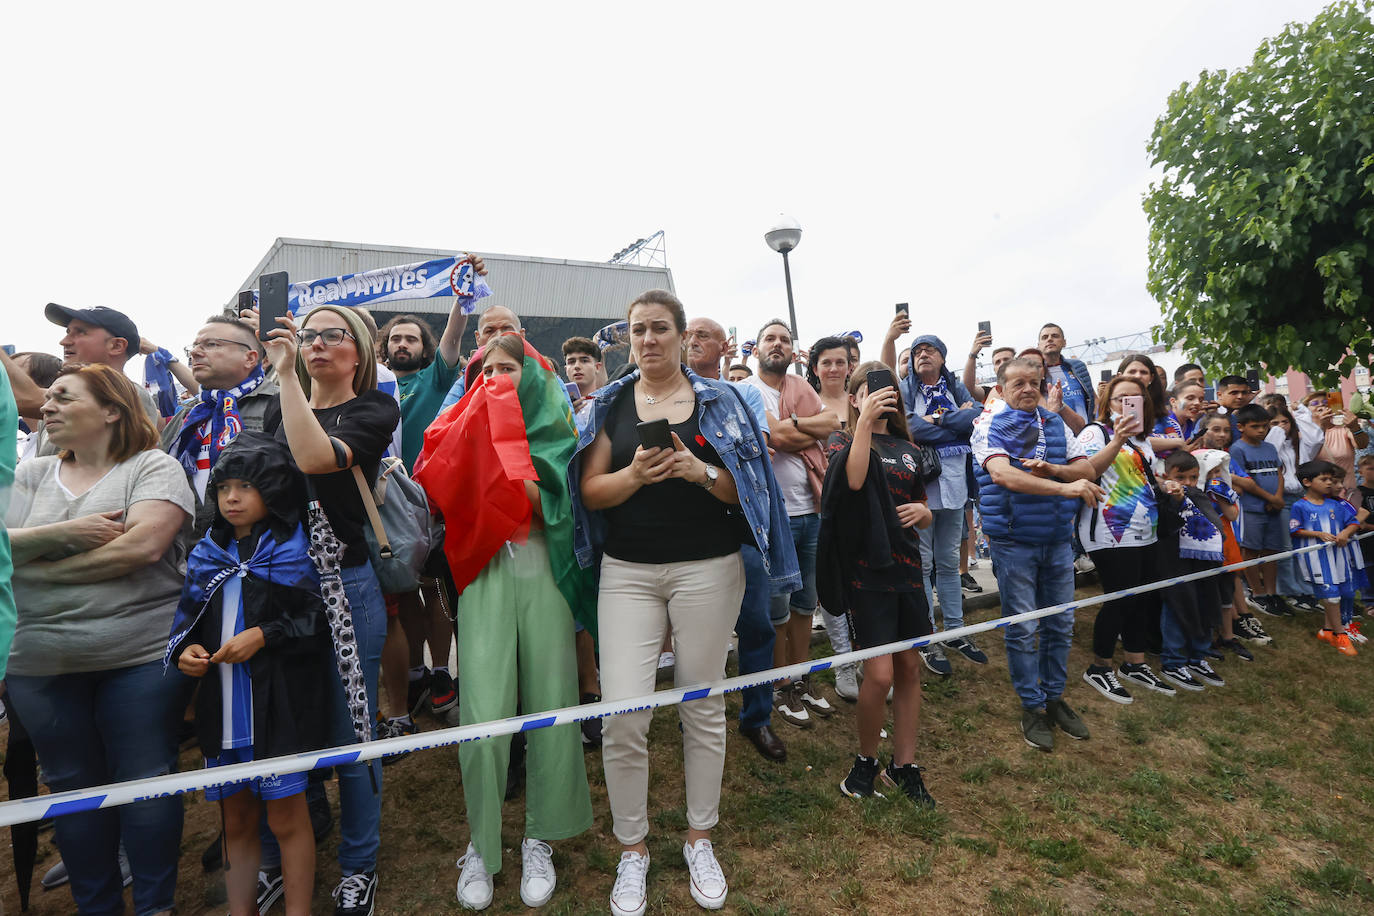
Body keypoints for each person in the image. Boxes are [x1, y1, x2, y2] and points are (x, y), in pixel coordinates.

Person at [572, 289, 798, 916]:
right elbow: (590, 491)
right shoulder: (610, 404)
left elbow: (745, 492)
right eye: (638, 330)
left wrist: (697, 471)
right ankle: (632, 849)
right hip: (628, 574)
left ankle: (700, 838)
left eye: (660, 330)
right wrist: (635, 477)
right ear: (629, 338)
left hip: (709, 569)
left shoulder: (721, 401)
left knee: (702, 702)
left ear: (681, 336)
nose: (649, 340)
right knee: (623, 713)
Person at [5, 363, 194, 916]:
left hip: (136, 656)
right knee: (72, 790)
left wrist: (31, 566)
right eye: (49, 399)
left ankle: (155, 907)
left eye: (64, 397)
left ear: (111, 409)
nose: (47, 406)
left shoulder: (152, 467)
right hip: (38, 663)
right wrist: (63, 534)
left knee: (145, 779)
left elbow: (140, 549)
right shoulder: (31, 475)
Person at [416, 334, 593, 911]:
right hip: (485, 574)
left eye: (509, 367)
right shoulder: (458, 427)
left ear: (533, 374)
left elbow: (565, 502)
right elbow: (433, 482)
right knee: (483, 713)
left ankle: (540, 835)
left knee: (552, 702)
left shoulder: (560, 428)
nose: (496, 376)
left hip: (543, 570)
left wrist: (517, 466)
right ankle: (481, 845)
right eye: (486, 368)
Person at [262, 304, 398, 916]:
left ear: (360, 352)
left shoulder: (373, 409)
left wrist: (289, 378)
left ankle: (358, 865)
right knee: (286, 725)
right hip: (284, 589)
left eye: (332, 336)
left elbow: (317, 460)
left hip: (347, 585)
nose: (316, 345)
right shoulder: (274, 407)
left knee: (353, 735)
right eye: (307, 336)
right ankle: (282, 855)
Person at [169, 434, 335, 916]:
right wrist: (186, 650)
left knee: (287, 818)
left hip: (276, 706)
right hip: (222, 708)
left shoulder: (292, 549)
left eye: (246, 486)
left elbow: (316, 617)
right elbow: (187, 623)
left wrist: (265, 634)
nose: (232, 498)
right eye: (223, 488)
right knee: (235, 821)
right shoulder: (207, 554)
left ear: (275, 490)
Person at [971, 358, 1115, 751]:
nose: (1029, 389)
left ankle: (1053, 697)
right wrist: (1064, 487)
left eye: (1035, 382)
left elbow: (1082, 469)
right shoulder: (988, 425)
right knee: (1023, 627)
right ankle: (1032, 706)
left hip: (1056, 541)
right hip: (1014, 543)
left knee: (1060, 624)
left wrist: (1057, 471)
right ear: (999, 389)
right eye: (1019, 382)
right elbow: (1003, 475)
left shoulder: (1054, 424)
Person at [819, 362, 935, 802]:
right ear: (854, 398)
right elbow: (852, 478)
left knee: (908, 668)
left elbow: (921, 502)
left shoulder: (907, 446)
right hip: (867, 574)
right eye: (869, 390)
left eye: (887, 390)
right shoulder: (843, 439)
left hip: (908, 570)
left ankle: (904, 765)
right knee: (880, 673)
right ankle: (865, 762)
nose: (881, 396)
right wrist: (863, 421)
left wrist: (923, 514)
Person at [686, 317, 792, 759]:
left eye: (703, 335)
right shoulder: (669, 394)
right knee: (693, 636)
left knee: (756, 626)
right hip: (688, 533)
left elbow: (759, 457)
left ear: (725, 346)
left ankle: (757, 718)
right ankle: (692, 716)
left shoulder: (743, 393)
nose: (692, 340)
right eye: (688, 333)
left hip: (741, 529)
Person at [741, 320, 841, 727]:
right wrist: (801, 431)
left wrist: (790, 428)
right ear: (758, 348)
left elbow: (832, 422)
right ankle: (780, 685)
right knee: (777, 609)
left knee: (805, 603)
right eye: (770, 338)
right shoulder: (747, 389)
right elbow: (774, 439)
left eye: (784, 339)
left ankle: (799, 678)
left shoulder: (802, 388)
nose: (778, 344)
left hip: (812, 510)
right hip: (773, 517)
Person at [1077, 374, 1174, 704]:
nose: (1127, 404)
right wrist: (1116, 440)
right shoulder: (1096, 432)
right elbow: (1087, 471)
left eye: (1135, 398)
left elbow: (1143, 478)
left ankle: (1135, 662)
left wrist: (1165, 485)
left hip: (1146, 529)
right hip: (1109, 531)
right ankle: (1100, 665)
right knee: (1120, 598)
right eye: (1120, 398)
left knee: (1142, 597)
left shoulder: (1144, 440)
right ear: (1108, 402)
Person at [898, 334, 988, 672]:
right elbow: (908, 426)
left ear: (942, 357)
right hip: (920, 487)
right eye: (917, 350)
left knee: (949, 562)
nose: (922, 354)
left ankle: (955, 630)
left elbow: (975, 419)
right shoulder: (906, 387)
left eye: (929, 349)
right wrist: (951, 422)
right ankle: (926, 636)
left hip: (953, 486)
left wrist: (935, 422)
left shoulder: (954, 386)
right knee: (921, 563)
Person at [162, 314, 282, 534]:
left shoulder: (280, 405)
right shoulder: (188, 416)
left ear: (250, 358)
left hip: (258, 555)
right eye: (195, 346)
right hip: (187, 555)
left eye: (211, 344)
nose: (196, 353)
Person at [1155, 450, 1240, 691]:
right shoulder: (1161, 499)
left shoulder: (1200, 495)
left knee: (1205, 606)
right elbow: (1164, 527)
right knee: (1177, 609)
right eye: (1181, 478)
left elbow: (1216, 524)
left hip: (1205, 566)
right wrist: (1174, 500)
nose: (1188, 483)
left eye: (1193, 477)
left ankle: (1198, 657)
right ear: (1166, 475)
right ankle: (1173, 662)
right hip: (1175, 564)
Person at [1290, 460, 1366, 655]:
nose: (1329, 483)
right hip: (1317, 560)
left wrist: (1345, 533)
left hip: (1339, 559)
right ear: (1307, 482)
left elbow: (1354, 522)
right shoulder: (1300, 506)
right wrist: (1318, 534)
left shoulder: (1336, 504)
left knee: (1341, 593)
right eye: (1324, 479)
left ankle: (1326, 631)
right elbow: (1295, 529)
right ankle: (1340, 636)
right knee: (1332, 597)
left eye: (1331, 480)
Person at [1258, 394, 1325, 611]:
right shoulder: (1269, 443)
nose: (1280, 427)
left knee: (1303, 546)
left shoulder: (1299, 443)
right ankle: (1290, 590)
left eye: (1284, 422)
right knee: (1285, 546)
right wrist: (1276, 431)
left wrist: (1303, 413)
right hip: (1283, 500)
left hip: (1302, 499)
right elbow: (1270, 453)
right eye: (1274, 423)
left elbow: (1316, 438)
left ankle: (1306, 589)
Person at [1229, 403, 1294, 617]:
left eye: (1264, 426)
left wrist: (1277, 498)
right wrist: (1270, 498)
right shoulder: (1237, 449)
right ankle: (1257, 594)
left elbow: (1278, 473)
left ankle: (1271, 592)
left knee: (1271, 551)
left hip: (1273, 507)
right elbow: (1245, 482)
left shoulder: (1269, 447)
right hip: (1252, 508)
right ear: (1241, 427)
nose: (1261, 430)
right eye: (1255, 426)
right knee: (1251, 550)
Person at [439, 305, 525, 410]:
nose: (498, 336)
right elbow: (441, 424)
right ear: (478, 338)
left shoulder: (542, 377)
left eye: (507, 329)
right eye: (490, 331)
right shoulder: (466, 381)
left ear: (521, 335)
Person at [1037, 322, 1096, 420]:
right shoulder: (1035, 373)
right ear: (1038, 345)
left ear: (1064, 342)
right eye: (1045, 337)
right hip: (1054, 432)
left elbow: (1092, 397)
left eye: (1055, 336)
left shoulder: (1078, 366)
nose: (1050, 339)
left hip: (1084, 432)